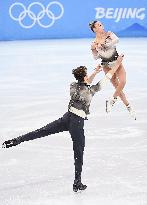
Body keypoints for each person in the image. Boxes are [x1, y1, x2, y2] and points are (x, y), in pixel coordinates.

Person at [2, 55, 123, 192]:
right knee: (79, 152)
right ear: (84, 77)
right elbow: (107, 78)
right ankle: (77, 183)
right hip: (77, 123)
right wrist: (117, 64)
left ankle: (17, 140)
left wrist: (95, 72)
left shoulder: (73, 86)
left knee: (41, 131)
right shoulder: (90, 91)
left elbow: (85, 82)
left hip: (67, 118)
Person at [89, 20, 136, 120]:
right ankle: (128, 106)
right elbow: (96, 57)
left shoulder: (109, 34)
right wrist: (94, 49)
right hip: (106, 66)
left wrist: (105, 45)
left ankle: (112, 99)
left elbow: (117, 40)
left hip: (117, 62)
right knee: (117, 87)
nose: (102, 26)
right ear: (95, 29)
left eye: (102, 24)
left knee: (122, 82)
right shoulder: (94, 43)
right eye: (99, 25)